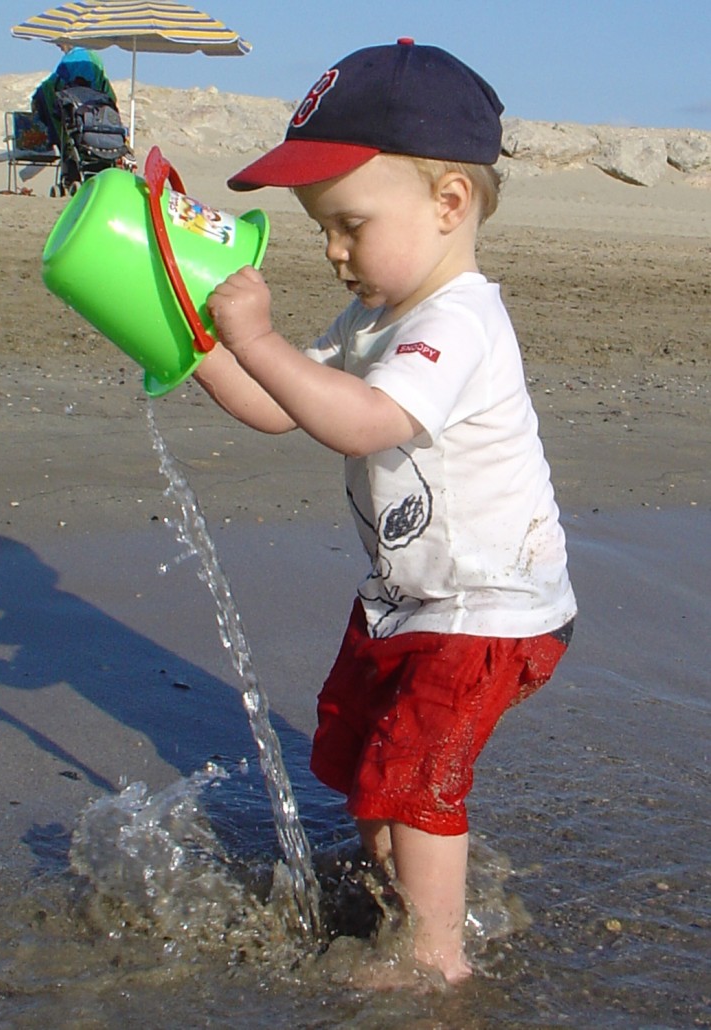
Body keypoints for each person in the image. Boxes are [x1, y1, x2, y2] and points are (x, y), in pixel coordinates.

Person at [195, 39, 578, 985]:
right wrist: (194, 345)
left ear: (449, 203)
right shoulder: (370, 318)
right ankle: (404, 885)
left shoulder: (457, 320)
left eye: (349, 223)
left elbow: (363, 422)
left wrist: (258, 335)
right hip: (409, 599)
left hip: (487, 610)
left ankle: (435, 960)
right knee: (367, 751)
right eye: (321, 227)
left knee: (414, 783)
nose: (331, 250)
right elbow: (282, 408)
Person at [31, 42, 117, 146]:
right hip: (99, 123)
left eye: (60, 43)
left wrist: (36, 99)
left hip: (76, 123)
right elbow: (109, 93)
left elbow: (52, 87)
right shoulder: (95, 57)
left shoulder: (70, 60)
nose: (58, 46)